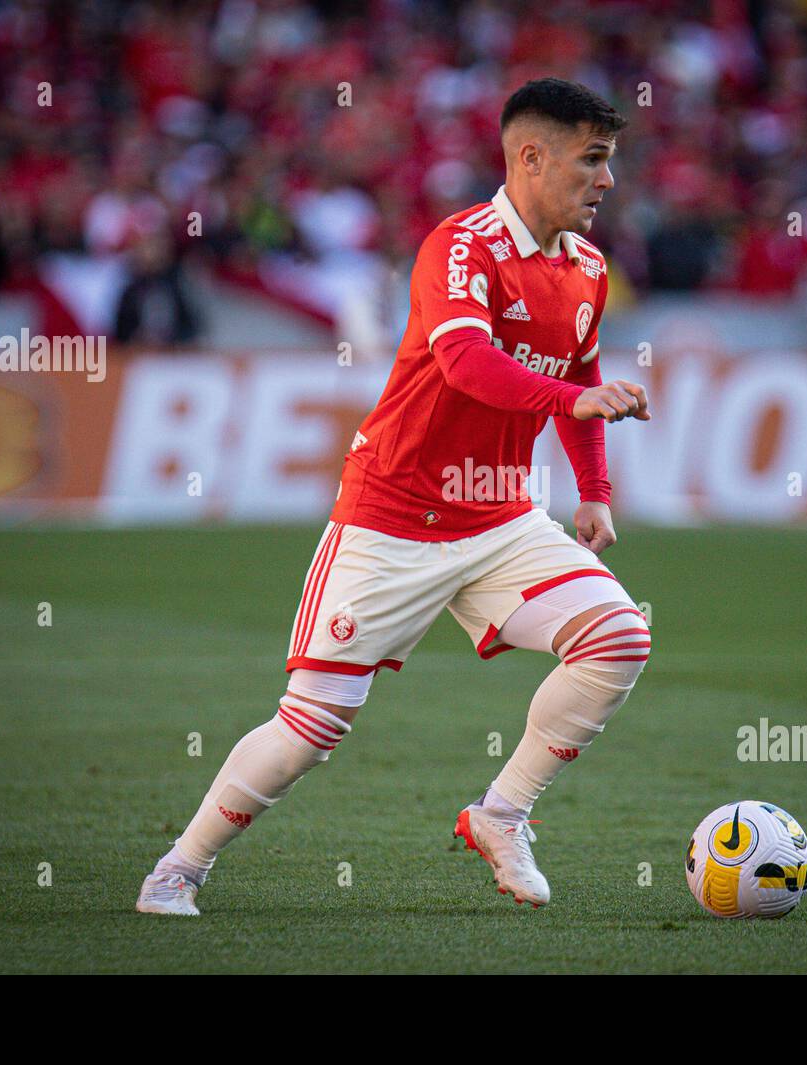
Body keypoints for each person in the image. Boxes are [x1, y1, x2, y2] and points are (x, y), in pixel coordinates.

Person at [137, 78, 651, 915]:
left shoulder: (587, 267)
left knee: (619, 637)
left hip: (501, 518)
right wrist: (571, 404)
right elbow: (467, 366)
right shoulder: (462, 245)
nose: (607, 180)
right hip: (392, 519)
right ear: (530, 156)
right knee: (309, 732)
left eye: (610, 161)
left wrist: (592, 492)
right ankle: (180, 866)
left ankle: (501, 813)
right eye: (592, 159)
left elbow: (582, 377)